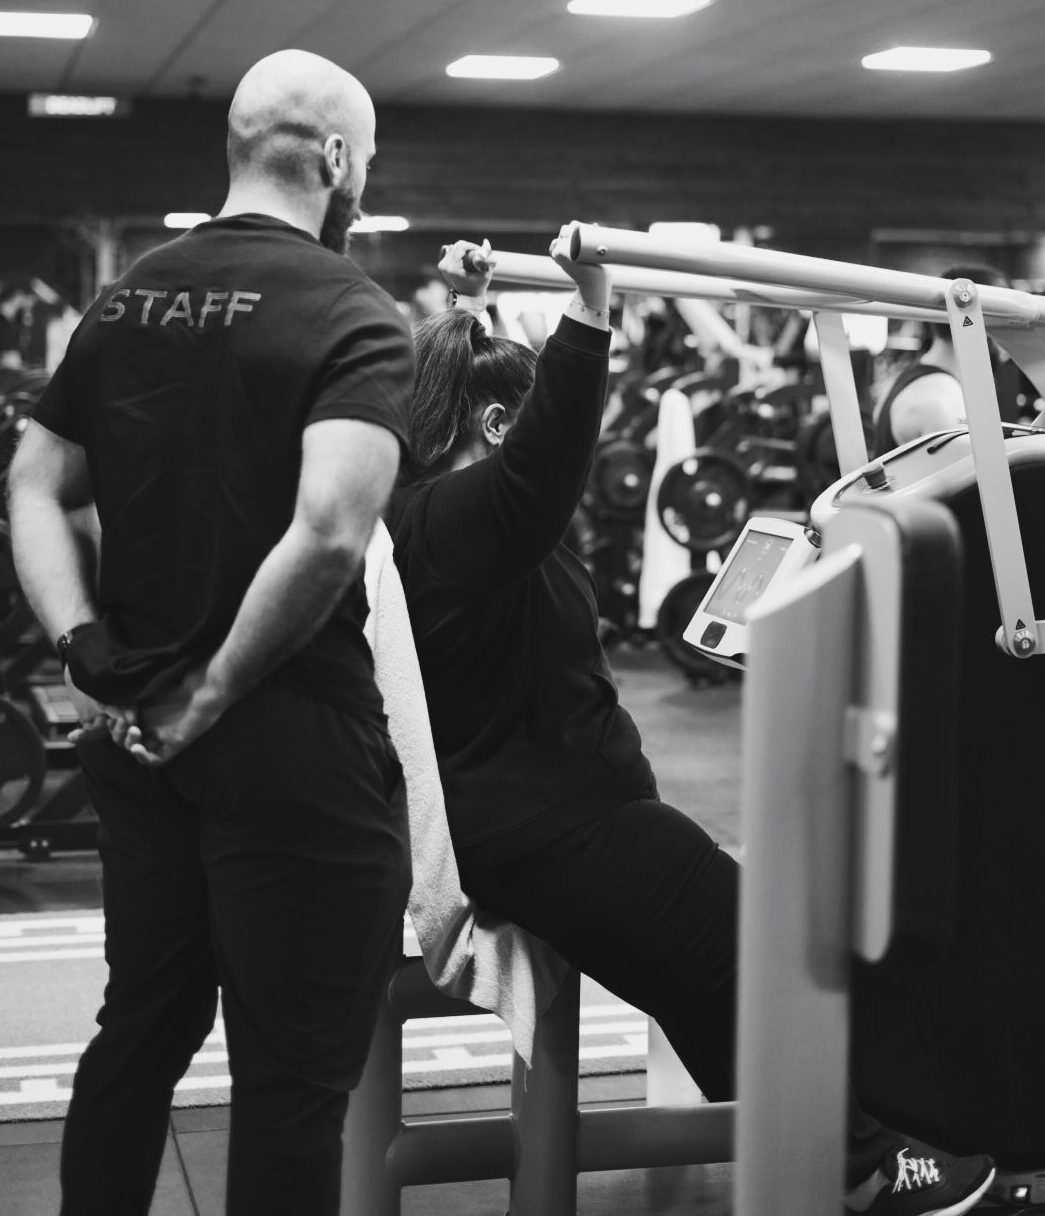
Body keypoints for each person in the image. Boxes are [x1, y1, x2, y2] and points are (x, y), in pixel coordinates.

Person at [386, 233, 997, 1216]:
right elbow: (539, 468)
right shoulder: (453, 519)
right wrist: (589, 312)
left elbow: (520, 470)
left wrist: (478, 304)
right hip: (552, 829)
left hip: (548, 816)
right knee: (766, 948)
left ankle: (822, 1147)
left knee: (704, 952)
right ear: (498, 423)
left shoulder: (436, 517)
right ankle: (879, 1166)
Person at [7, 49, 413, 1216]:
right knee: (290, 1080)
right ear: (335, 159)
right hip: (282, 741)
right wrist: (216, 688)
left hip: (137, 745)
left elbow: (30, 485)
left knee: (140, 1028)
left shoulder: (124, 298)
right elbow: (332, 532)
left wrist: (88, 651)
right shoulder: (351, 309)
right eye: (366, 162)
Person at [872, 262, 1009, 456]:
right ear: (983, 326)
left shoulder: (911, 381)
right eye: (1006, 328)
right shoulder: (942, 399)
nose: (1008, 349)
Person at [0, 279, 35, 369]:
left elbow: (25, 344)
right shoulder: (4, 319)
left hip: (14, 368)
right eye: (25, 295)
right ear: (17, 295)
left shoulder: (18, 319)